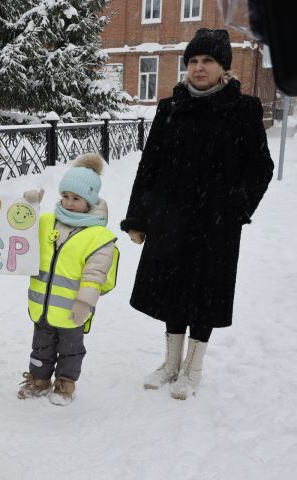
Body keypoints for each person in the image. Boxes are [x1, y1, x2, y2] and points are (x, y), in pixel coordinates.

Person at [121, 28, 274, 400]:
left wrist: (237, 206)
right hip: (170, 218)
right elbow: (150, 166)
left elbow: (260, 168)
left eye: (207, 61)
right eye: (193, 61)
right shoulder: (170, 108)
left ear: (223, 67)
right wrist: (139, 217)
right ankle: (171, 363)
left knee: (206, 293)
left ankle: (194, 367)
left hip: (216, 224)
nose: (198, 67)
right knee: (173, 288)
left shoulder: (243, 110)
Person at [19, 153, 118, 406]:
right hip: (41, 304)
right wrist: (29, 208)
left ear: (90, 201)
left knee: (71, 350)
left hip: (74, 309)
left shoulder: (98, 235)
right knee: (40, 347)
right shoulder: (48, 221)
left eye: (76, 198)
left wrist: (85, 302)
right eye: (65, 196)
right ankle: (39, 379)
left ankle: (65, 383)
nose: (69, 203)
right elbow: (21, 231)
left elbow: (95, 272)